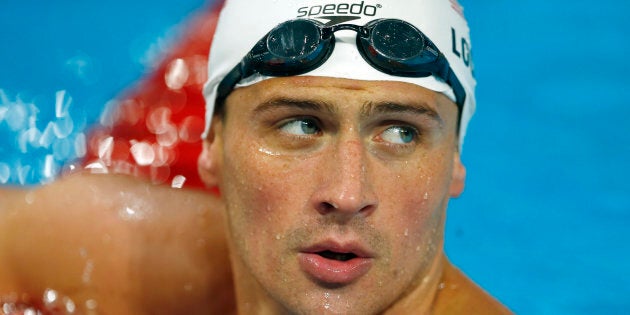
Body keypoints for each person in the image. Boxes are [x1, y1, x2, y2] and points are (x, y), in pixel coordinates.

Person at [0, 0, 511, 313]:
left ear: (456, 161)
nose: (348, 194)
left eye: (400, 133)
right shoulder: (123, 257)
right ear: (211, 146)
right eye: (300, 125)